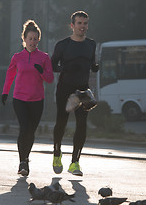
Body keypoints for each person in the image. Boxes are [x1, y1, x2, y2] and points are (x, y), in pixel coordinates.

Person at [1, 20, 54, 176]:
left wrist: (41, 72)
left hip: (37, 100)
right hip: (20, 99)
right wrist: (5, 92)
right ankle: (22, 162)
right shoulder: (17, 57)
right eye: (30, 38)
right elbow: (10, 75)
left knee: (31, 131)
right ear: (24, 39)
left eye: (35, 39)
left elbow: (50, 79)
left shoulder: (44, 57)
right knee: (24, 128)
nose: (32, 42)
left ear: (39, 40)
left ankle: (26, 158)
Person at [51, 11, 99, 176]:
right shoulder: (62, 45)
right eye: (79, 23)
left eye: (85, 23)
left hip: (83, 90)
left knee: (82, 125)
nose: (82, 27)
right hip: (65, 89)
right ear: (72, 25)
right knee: (61, 123)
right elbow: (52, 66)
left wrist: (94, 67)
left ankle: (75, 163)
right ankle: (57, 153)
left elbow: (92, 62)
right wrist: (65, 68)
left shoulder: (91, 44)